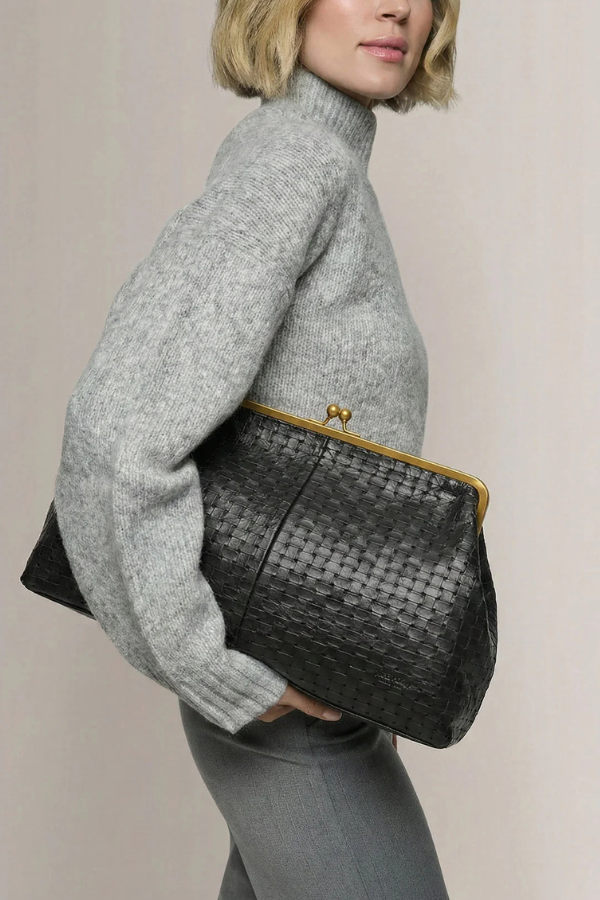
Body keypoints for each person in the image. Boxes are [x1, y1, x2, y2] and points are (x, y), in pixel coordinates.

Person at [53, 0, 461, 897]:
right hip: (288, 705)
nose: (396, 7)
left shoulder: (331, 167)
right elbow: (116, 430)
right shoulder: (294, 163)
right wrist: (211, 665)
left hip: (324, 689)